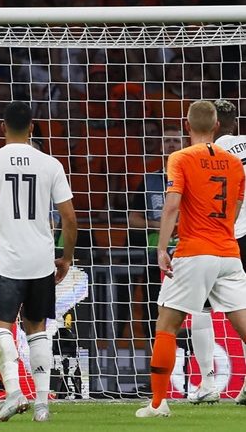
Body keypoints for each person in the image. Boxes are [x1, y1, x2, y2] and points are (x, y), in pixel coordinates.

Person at [0, 101, 78, 423]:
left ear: (2, 128)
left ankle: (14, 393)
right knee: (37, 328)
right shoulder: (50, 164)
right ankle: (42, 404)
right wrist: (66, 257)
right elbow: (69, 218)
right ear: (32, 127)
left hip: (7, 261)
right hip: (41, 260)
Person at [135, 100, 246, 418]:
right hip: (229, 252)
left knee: (167, 324)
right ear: (216, 126)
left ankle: (158, 404)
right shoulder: (233, 162)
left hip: (195, 251)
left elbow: (172, 205)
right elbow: (237, 205)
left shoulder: (180, 158)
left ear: (187, 126)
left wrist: (162, 249)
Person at [188, 99, 246, 405]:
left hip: (221, 236)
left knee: (201, 309)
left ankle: (208, 382)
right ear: (235, 122)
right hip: (239, 236)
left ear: (214, 124)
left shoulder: (208, 154)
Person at [126, 126, 184, 345]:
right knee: (153, 312)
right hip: (155, 257)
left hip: (186, 254)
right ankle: (157, 361)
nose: (171, 145)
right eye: (167, 141)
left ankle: (187, 361)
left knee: (186, 312)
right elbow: (133, 220)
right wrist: (158, 225)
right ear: (160, 147)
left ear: (185, 145)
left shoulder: (193, 177)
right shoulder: (149, 180)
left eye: (176, 141)